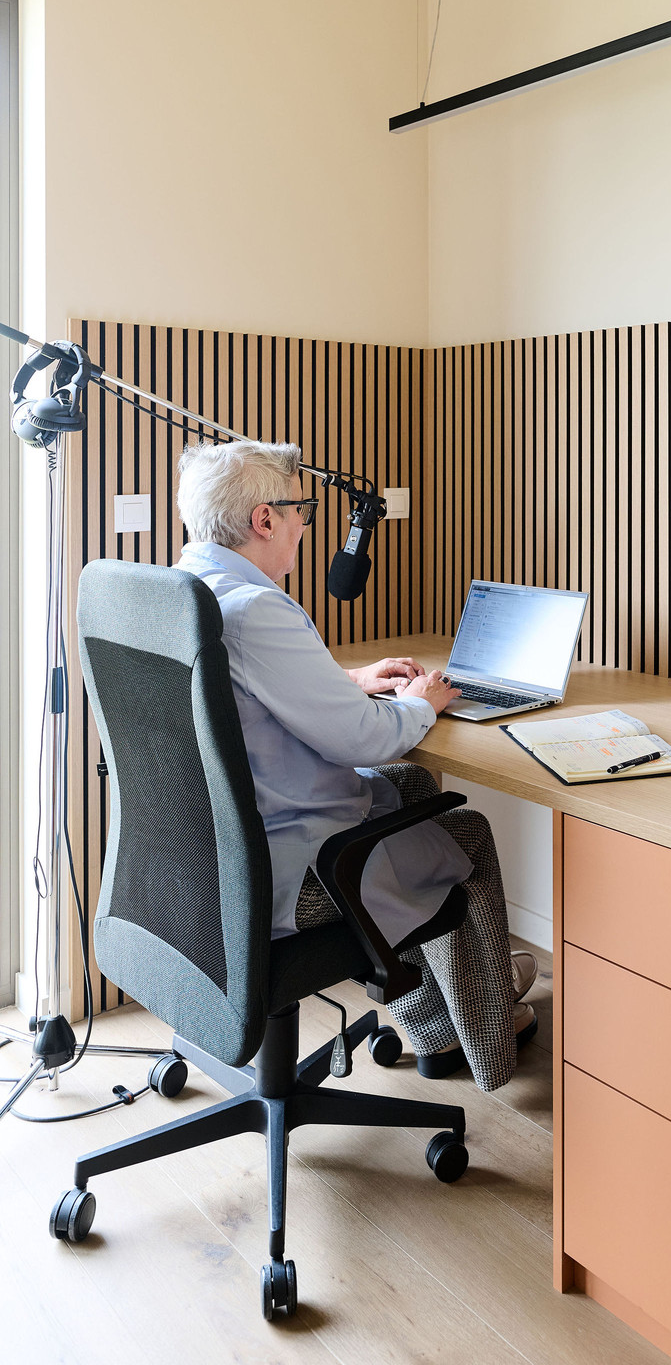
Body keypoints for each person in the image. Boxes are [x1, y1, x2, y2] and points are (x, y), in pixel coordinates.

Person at [174, 438, 537, 1092]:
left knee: (414, 786)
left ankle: (431, 1019)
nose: (307, 526)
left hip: (211, 856)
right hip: (295, 867)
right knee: (469, 832)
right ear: (265, 520)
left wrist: (349, 679)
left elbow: (250, 690)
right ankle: (488, 1041)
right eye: (302, 511)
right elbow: (366, 743)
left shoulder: (187, 592)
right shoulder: (258, 609)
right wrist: (421, 704)